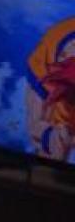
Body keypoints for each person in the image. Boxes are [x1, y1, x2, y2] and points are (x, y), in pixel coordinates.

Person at [26, 15, 75, 162]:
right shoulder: (42, 71)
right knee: (56, 146)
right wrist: (51, 136)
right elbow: (35, 125)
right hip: (47, 74)